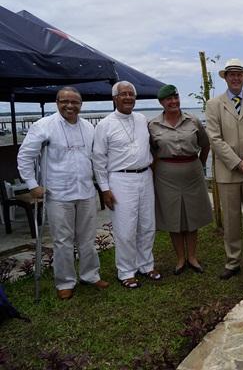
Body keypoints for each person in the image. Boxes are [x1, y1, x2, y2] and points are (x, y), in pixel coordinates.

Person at [17, 86, 109, 300]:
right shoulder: (43, 126)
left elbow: (96, 158)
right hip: (58, 193)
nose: (70, 105)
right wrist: (32, 184)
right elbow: (25, 156)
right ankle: (66, 281)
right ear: (57, 102)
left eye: (74, 102)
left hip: (85, 190)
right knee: (63, 240)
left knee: (87, 237)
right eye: (64, 101)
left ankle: (90, 275)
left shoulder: (88, 127)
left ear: (81, 104)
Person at [92, 81, 161, 289]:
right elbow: (98, 159)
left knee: (147, 225)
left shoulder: (141, 119)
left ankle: (146, 264)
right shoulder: (105, 124)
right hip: (120, 180)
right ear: (114, 98)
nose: (128, 97)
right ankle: (126, 271)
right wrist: (104, 189)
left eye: (131, 94)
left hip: (145, 176)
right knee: (125, 229)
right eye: (123, 94)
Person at [205, 58, 243, 280]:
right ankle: (232, 261)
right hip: (228, 171)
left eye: (239, 74)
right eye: (232, 74)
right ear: (225, 77)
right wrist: (237, 162)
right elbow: (214, 138)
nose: (236, 78)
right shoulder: (213, 105)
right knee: (230, 218)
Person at [149, 84, 212, 275]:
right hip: (166, 175)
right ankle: (180, 259)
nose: (173, 102)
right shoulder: (153, 125)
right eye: (169, 99)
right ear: (161, 102)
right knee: (173, 216)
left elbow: (205, 145)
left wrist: (199, 165)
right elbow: (151, 152)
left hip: (192, 171)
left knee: (191, 216)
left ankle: (192, 257)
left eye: (175, 97)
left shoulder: (193, 121)